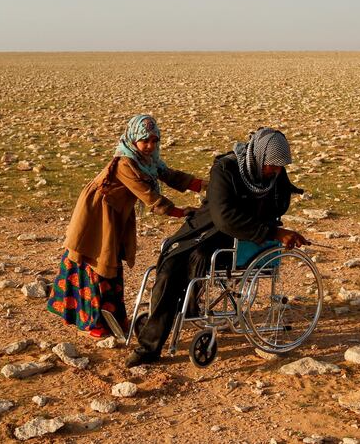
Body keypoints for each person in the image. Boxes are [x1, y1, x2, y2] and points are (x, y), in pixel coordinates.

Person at [126, 127, 308, 367]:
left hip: (239, 238)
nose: (276, 171)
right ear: (259, 156)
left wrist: (275, 227)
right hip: (206, 228)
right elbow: (224, 216)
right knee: (170, 266)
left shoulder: (274, 174)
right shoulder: (226, 169)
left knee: (200, 259)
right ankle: (150, 346)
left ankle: (187, 307)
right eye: (271, 165)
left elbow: (279, 202)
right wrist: (273, 231)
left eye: (279, 166)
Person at [47, 114, 205, 338]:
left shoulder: (148, 161)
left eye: (154, 140)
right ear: (133, 140)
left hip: (115, 212)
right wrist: (181, 212)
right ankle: (94, 322)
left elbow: (171, 176)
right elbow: (149, 197)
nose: (150, 146)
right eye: (145, 141)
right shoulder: (125, 163)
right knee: (95, 261)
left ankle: (116, 318)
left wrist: (205, 185)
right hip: (97, 213)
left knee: (111, 262)